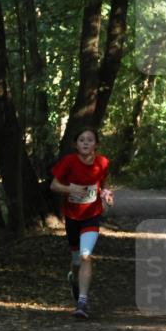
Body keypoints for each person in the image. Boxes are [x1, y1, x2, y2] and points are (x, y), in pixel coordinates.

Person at [50, 127, 114, 319]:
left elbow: (103, 184)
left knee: (86, 256)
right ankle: (74, 280)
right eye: (81, 140)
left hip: (92, 215)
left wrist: (106, 194)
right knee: (77, 260)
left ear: (96, 144)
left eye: (90, 140)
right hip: (72, 217)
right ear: (76, 145)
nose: (85, 143)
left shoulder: (103, 162)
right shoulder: (69, 162)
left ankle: (82, 302)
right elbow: (53, 185)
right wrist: (70, 189)